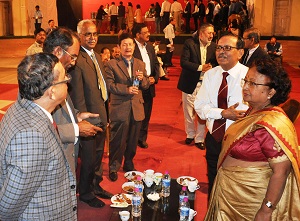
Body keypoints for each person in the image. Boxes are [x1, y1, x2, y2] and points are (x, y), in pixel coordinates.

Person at [204, 58, 300, 220]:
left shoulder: (272, 123)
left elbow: (281, 171)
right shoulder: (252, 112)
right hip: (231, 196)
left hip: (250, 203)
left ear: (271, 92)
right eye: (246, 81)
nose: (245, 87)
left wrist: (266, 210)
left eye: (253, 83)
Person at [0, 53, 77, 220]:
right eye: (65, 79)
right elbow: (7, 206)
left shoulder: (21, 105)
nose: (68, 81)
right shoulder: (32, 136)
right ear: (52, 92)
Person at [43, 27, 102, 189]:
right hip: (51, 168)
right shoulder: (38, 79)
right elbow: (38, 132)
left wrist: (77, 115)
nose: (74, 62)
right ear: (57, 51)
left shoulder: (58, 75)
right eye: (73, 56)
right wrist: (76, 130)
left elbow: (62, 109)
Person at [194, 34, 249, 196]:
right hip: (214, 138)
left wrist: (215, 112)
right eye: (219, 48)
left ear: (240, 53)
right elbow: (199, 106)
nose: (221, 52)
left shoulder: (249, 76)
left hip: (240, 140)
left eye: (227, 48)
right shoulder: (211, 74)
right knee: (214, 180)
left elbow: (250, 111)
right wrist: (223, 113)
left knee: (235, 187)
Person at [68, 20, 113, 207]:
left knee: (97, 157)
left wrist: (105, 117)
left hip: (101, 115)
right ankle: (85, 192)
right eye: (88, 34)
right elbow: (78, 96)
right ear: (80, 36)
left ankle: (95, 185)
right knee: (88, 158)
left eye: (95, 34)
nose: (92, 37)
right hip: (88, 119)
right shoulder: (78, 60)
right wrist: (84, 120)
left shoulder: (96, 56)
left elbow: (101, 89)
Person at [105, 33, 150, 180]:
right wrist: (127, 89)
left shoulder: (140, 64)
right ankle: (113, 166)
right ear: (119, 47)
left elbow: (145, 85)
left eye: (130, 44)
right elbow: (109, 85)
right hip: (120, 108)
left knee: (132, 139)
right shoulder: (111, 64)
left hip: (136, 107)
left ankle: (129, 162)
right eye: (124, 44)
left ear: (133, 46)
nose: (127, 47)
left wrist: (142, 79)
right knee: (117, 139)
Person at [177, 23, 218, 150]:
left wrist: (212, 68)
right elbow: (183, 62)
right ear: (201, 34)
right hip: (190, 83)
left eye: (212, 33)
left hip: (206, 85)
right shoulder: (190, 43)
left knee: (202, 113)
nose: (211, 36)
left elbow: (217, 63)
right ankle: (190, 134)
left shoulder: (215, 47)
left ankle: (200, 138)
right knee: (188, 112)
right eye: (209, 33)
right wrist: (201, 68)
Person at [132, 23, 160, 149]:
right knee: (135, 114)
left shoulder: (149, 47)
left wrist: (155, 77)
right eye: (145, 32)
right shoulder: (131, 47)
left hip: (150, 85)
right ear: (137, 35)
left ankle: (141, 138)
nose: (148, 34)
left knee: (146, 114)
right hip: (136, 86)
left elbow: (155, 64)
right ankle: (132, 137)